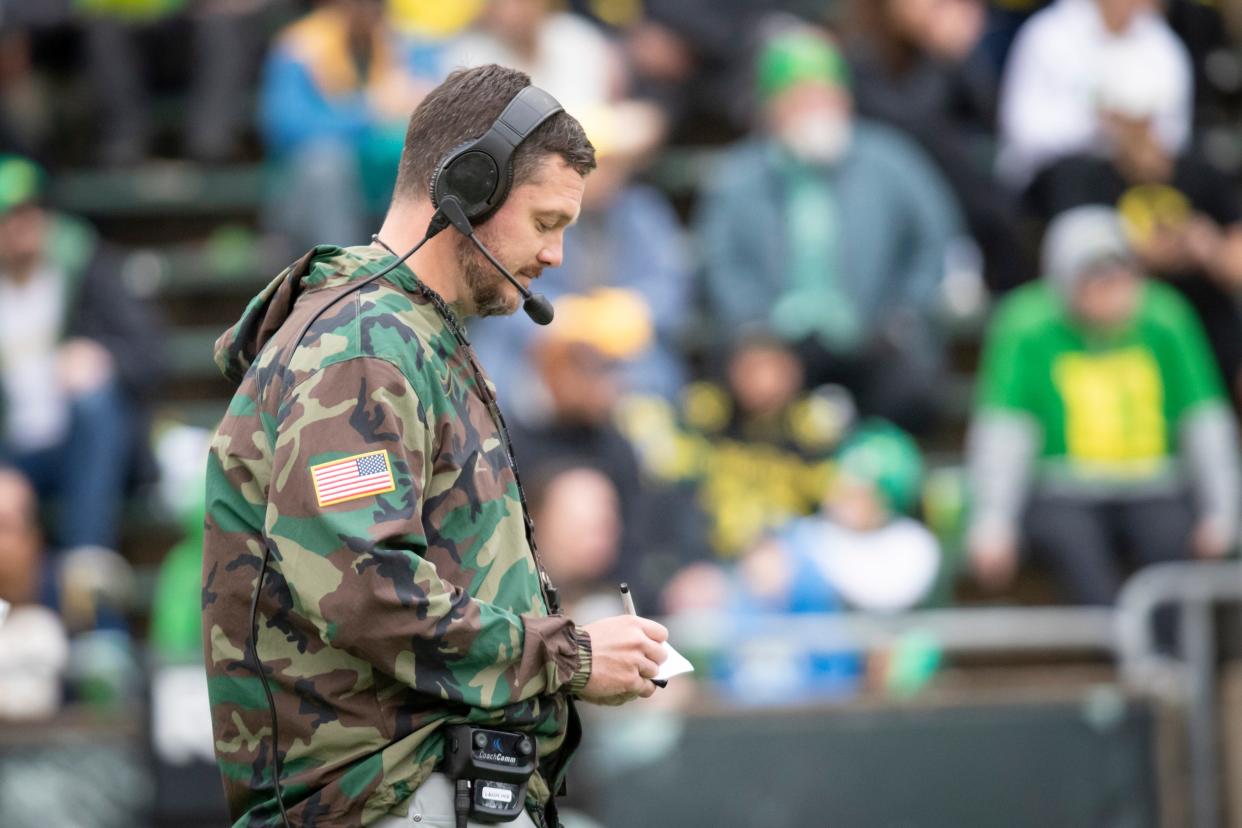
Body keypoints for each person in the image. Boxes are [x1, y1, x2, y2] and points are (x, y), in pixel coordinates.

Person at [203, 64, 669, 828]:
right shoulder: (361, 347)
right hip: (385, 801)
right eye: (546, 222)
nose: (556, 257)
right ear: (469, 187)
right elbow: (363, 587)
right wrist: (571, 654)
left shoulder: (413, 336)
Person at [966, 206, 1239, 604]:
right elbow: (1005, 431)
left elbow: (1204, 421)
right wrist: (993, 522)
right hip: (1063, 489)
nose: (1111, 292)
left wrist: (1223, 512)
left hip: (1154, 483)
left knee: (1171, 540)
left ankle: (1169, 650)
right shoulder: (1026, 325)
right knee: (1073, 544)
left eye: (1119, 276)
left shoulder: (1166, 318)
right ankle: (1124, 646)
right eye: (1095, 280)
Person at [695, 28, 963, 435]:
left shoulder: (891, 161)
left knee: (907, 385)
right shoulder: (739, 176)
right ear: (771, 108)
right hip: (778, 337)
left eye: (827, 97)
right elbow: (721, 260)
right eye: (802, 100)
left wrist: (906, 308)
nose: (817, 111)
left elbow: (934, 237)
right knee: (738, 389)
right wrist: (753, 329)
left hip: (872, 332)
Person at [1024, 45, 1242, 409]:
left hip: (1207, 319)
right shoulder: (1087, 179)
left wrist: (1206, 246)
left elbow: (1235, 267)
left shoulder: (1204, 175)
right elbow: (1069, 268)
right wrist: (1140, 256)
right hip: (1121, 323)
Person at [0, 155, 165, 554]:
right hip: (13, 452)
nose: (25, 223)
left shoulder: (83, 263)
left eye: (33, 209)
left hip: (82, 445)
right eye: (11, 214)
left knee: (94, 403)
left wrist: (102, 357)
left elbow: (153, 354)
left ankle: (86, 567)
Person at [259, 0, 444, 256]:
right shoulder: (301, 47)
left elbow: (432, 104)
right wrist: (368, 110)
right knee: (325, 164)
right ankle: (343, 280)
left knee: (423, 159)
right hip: (311, 197)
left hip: (380, 191)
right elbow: (286, 127)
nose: (364, 9)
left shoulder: (406, 44)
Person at [997, 0, 1193, 188]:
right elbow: (1022, 131)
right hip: (1054, 178)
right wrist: (1098, 127)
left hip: (1137, 174)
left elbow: (1177, 131)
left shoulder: (1161, 43)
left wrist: (1139, 136)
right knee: (1074, 175)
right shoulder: (1047, 33)